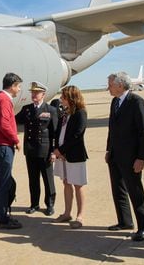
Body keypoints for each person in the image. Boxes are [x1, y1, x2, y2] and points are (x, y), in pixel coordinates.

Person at [105, 72, 144, 241]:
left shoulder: (136, 102)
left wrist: (142, 158)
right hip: (115, 156)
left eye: (110, 84)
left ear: (120, 85)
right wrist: (109, 150)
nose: (108, 87)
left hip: (132, 158)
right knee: (118, 189)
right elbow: (112, 128)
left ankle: (143, 227)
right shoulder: (115, 101)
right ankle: (125, 221)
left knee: (135, 190)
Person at [16, 81, 58, 216]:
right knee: (33, 179)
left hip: (45, 150)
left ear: (43, 94)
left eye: (36, 92)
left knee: (48, 179)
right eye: (32, 92)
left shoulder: (50, 110)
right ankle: (34, 204)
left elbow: (54, 133)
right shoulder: (27, 109)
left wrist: (53, 151)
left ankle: (50, 204)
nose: (34, 95)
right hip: (30, 150)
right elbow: (14, 120)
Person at [0, 72, 23, 229]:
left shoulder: (0, 99)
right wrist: (15, 139)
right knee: (4, 183)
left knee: (5, 181)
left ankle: (1, 215)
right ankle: (2, 218)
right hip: (3, 146)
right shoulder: (3, 100)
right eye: (18, 86)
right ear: (13, 85)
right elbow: (4, 124)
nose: (19, 90)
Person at [52, 85, 88, 229]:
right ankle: (67, 213)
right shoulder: (65, 113)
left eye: (63, 97)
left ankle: (80, 216)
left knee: (78, 185)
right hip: (62, 155)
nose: (61, 99)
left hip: (74, 155)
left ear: (71, 98)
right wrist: (57, 149)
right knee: (66, 183)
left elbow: (77, 135)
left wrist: (61, 150)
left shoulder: (80, 113)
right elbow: (58, 132)